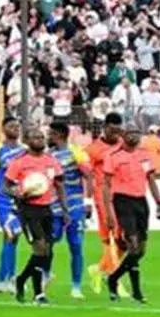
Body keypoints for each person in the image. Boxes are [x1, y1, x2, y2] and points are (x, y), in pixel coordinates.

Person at [103, 125, 160, 303]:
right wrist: (108, 211)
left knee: (141, 251)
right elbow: (106, 184)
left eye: (137, 133)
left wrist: (159, 202)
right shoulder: (113, 156)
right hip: (123, 202)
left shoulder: (144, 155)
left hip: (141, 202)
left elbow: (151, 180)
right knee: (133, 245)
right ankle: (133, 290)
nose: (134, 136)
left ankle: (114, 278)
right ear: (123, 135)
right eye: (130, 133)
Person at [4, 130, 68, 305]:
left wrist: (64, 209)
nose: (40, 140)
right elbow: (6, 185)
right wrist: (16, 193)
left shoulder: (51, 161)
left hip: (47, 209)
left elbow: (60, 185)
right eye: (35, 137)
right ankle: (38, 293)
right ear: (27, 140)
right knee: (39, 248)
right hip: (28, 210)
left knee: (46, 251)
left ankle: (21, 279)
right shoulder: (19, 162)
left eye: (41, 137)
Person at [47, 122, 92, 299]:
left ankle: (76, 285)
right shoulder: (49, 155)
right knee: (50, 240)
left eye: (50, 134)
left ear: (59, 135)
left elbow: (89, 176)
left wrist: (88, 202)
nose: (48, 137)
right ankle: (46, 274)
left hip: (74, 205)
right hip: (54, 205)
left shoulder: (76, 153)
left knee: (76, 245)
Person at [0, 116, 26, 293]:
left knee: (11, 239)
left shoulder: (25, 150)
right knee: (12, 234)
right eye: (11, 126)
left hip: (22, 201)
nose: (15, 128)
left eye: (17, 125)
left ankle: (0, 279)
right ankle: (10, 278)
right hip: (3, 200)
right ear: (3, 129)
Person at [86, 113, 126, 295]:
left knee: (124, 240)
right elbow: (86, 175)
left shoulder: (123, 145)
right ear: (105, 127)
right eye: (112, 130)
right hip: (103, 196)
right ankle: (114, 279)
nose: (115, 134)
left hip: (124, 194)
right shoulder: (93, 149)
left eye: (118, 130)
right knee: (112, 236)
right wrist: (87, 199)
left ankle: (99, 269)